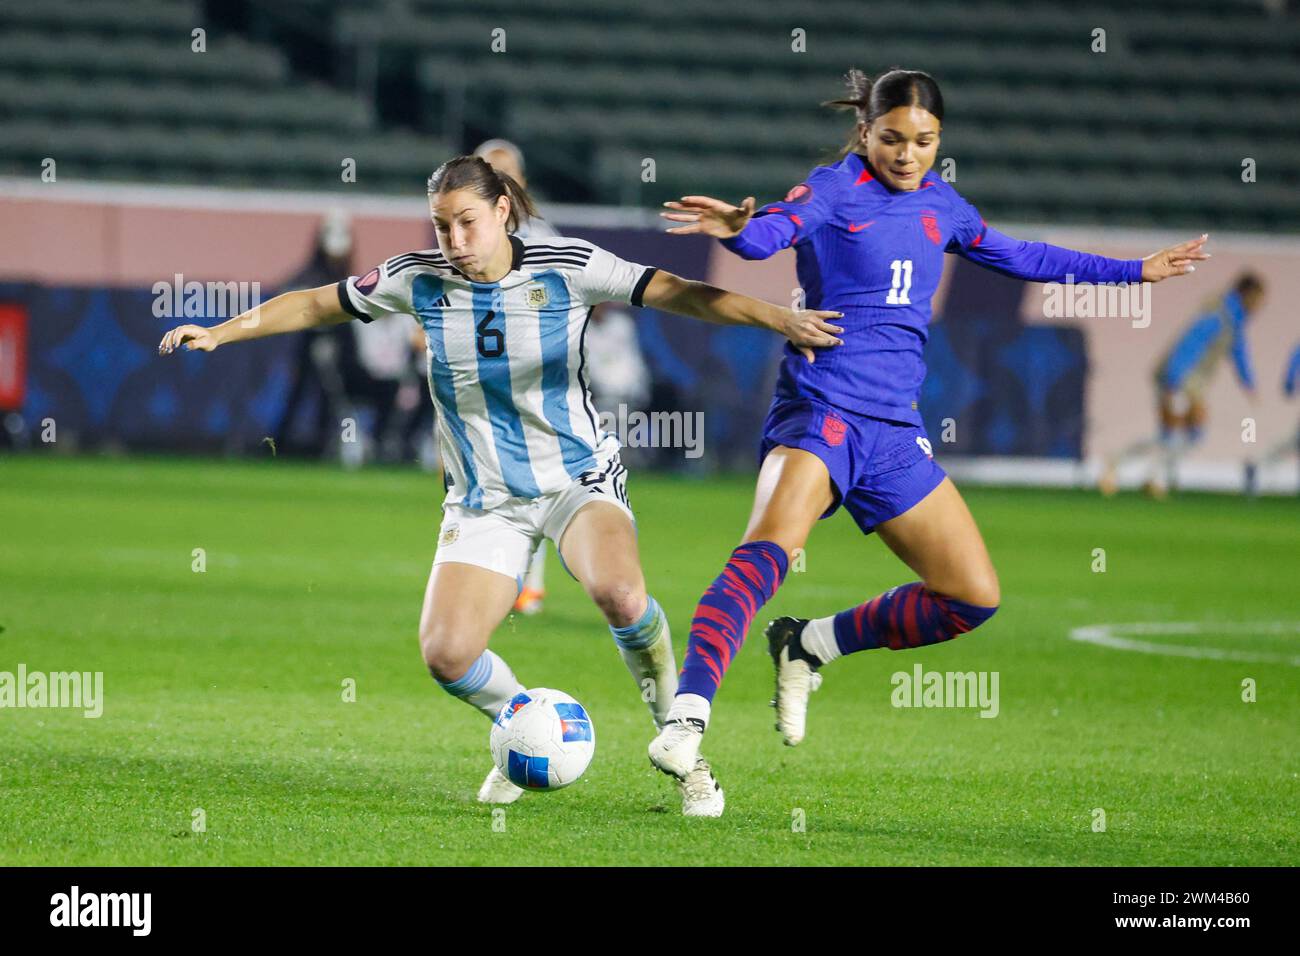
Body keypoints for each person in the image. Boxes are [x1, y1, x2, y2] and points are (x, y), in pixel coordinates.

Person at [158, 154, 844, 818]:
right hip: (485, 498)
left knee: (620, 592)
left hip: (577, 478)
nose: (453, 241)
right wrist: (222, 332)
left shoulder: (569, 266)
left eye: (467, 222)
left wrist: (779, 318)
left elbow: (678, 291)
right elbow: (314, 305)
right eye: (440, 225)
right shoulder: (414, 279)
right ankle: (524, 728)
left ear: (503, 211)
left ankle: (688, 760)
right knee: (447, 654)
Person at [646, 68, 1210, 797]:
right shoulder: (832, 188)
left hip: (893, 429)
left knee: (970, 598)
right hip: (823, 408)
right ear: (864, 132)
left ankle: (809, 643)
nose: (908, 155)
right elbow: (769, 237)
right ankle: (687, 718)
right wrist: (737, 228)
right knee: (768, 551)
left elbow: (1025, 258)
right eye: (892, 139)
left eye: (924, 141)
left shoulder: (942, 205)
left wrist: (1136, 271)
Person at [474, 138, 559, 614]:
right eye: (486, 170)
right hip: (471, 379)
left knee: (530, 477)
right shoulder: (462, 232)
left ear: (520, 183)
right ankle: (491, 577)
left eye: (503, 171)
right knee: (469, 477)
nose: (496, 178)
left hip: (529, 377)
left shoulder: (544, 238)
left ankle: (525, 582)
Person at [1101, 272, 1265, 497]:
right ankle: (1128, 466)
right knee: (1182, 432)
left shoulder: (1234, 321)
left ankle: (1140, 470)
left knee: (1180, 434)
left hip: (1191, 381)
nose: (1260, 306)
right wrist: (1173, 382)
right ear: (1247, 294)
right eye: (1259, 299)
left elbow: (1238, 353)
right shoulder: (1217, 315)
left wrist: (1249, 384)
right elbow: (1188, 346)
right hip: (1181, 378)